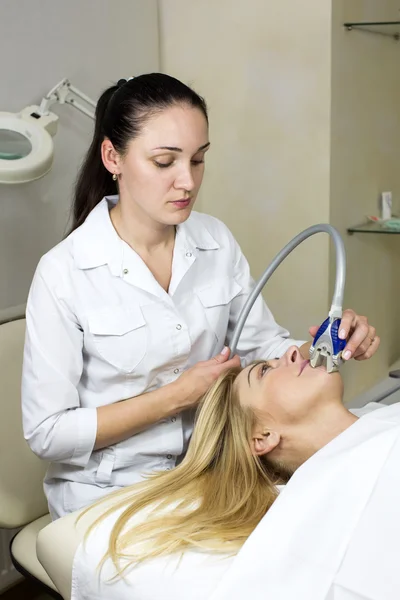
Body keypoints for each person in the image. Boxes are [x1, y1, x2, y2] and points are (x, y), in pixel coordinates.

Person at [22, 72, 379, 520]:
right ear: (113, 157)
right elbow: (47, 433)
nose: (187, 182)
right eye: (164, 162)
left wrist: (330, 345)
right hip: (111, 491)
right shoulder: (64, 273)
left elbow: (262, 347)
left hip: (212, 473)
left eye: (198, 160)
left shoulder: (214, 241)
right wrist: (175, 396)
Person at [37, 347, 397, 600]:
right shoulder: (314, 510)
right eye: (266, 370)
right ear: (262, 437)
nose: (294, 352)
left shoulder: (384, 424)